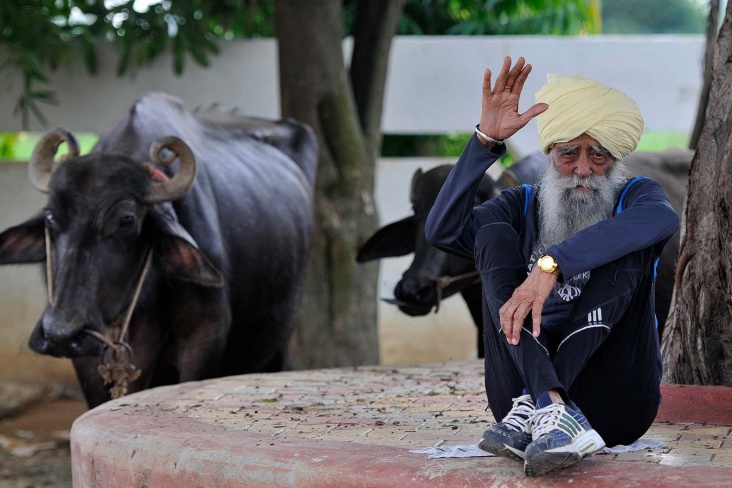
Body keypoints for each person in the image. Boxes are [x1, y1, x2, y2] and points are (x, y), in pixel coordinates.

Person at [425, 56, 679, 477]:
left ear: (615, 159)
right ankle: (549, 402)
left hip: (615, 401)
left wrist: (552, 264)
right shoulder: (522, 205)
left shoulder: (635, 196)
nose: (583, 170)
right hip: (521, 411)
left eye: (598, 154)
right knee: (491, 234)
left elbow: (662, 220)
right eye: (569, 154)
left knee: (633, 246)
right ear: (549, 155)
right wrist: (484, 142)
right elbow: (443, 231)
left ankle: (550, 403)